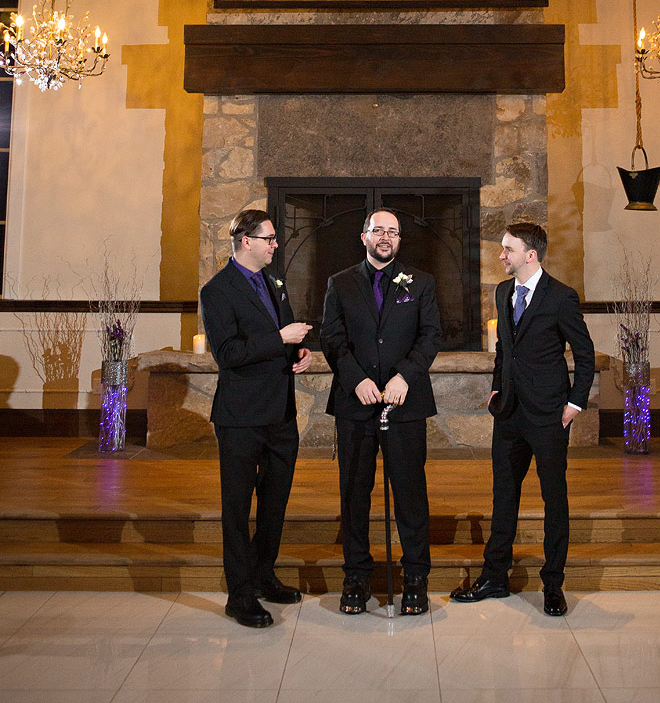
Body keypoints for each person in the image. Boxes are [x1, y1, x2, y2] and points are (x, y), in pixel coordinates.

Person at [451, 222, 594, 616]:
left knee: (554, 500)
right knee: (504, 497)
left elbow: (585, 355)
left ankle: (553, 585)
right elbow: (504, 352)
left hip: (549, 416)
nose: (501, 256)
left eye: (507, 249)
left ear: (530, 255)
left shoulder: (562, 297)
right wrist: (497, 387)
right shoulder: (502, 292)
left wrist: (575, 404)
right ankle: (494, 577)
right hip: (509, 414)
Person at [321, 207, 442, 616]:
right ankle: (356, 577)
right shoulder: (340, 284)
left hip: (404, 403)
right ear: (364, 236)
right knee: (355, 494)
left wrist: (404, 376)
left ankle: (415, 579)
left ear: (399, 240)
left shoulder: (421, 283)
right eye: (378, 230)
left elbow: (430, 336)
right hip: (356, 404)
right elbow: (332, 339)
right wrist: (356, 379)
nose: (385, 237)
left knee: (410, 495)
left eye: (392, 231)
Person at [200, 207, 312, 628]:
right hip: (241, 416)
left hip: (280, 412)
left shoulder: (274, 282)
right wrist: (278, 338)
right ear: (246, 242)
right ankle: (239, 595)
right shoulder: (218, 290)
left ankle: (264, 575)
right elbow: (228, 355)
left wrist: (296, 351)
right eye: (268, 239)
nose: (275, 245)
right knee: (237, 507)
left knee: (275, 502)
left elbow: (278, 335)